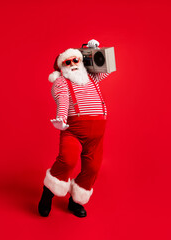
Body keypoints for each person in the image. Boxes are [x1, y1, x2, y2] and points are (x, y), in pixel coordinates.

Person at [38, 39, 111, 217]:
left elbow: (107, 65)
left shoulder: (92, 77)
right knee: (68, 160)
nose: (72, 64)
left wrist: (93, 50)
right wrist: (60, 118)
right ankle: (47, 195)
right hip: (73, 130)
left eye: (75, 60)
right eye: (67, 62)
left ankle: (74, 202)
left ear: (81, 61)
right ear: (61, 68)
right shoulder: (62, 82)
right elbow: (62, 100)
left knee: (92, 168)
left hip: (97, 132)